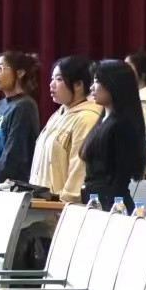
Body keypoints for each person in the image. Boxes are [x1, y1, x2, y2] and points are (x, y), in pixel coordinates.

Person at [80, 60, 146, 211]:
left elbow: (118, 179)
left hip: (112, 206)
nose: (91, 87)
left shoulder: (123, 125)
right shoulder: (103, 119)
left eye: (97, 81)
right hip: (96, 200)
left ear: (114, 84)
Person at [30, 57, 103, 200]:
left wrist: (66, 199)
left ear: (78, 85)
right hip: (41, 203)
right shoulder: (58, 114)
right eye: (52, 79)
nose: (51, 84)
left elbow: (79, 169)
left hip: (61, 206)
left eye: (59, 79)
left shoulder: (87, 118)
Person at [0, 51, 40, 188]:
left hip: (8, 186)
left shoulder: (24, 106)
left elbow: (13, 153)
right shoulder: (0, 105)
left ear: (20, 73)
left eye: (0, 68)